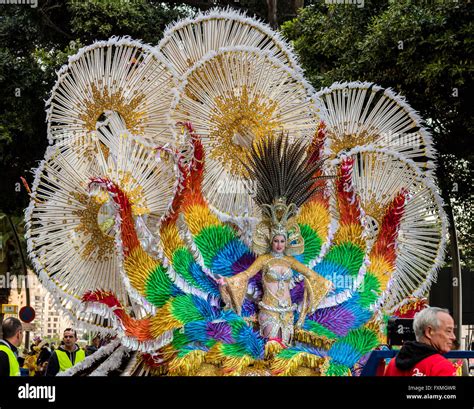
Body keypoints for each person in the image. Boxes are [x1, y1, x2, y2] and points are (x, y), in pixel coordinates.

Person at [217, 137, 333, 345]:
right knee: (270, 351)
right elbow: (245, 275)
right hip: (268, 311)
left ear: (286, 241)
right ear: (270, 240)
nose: (279, 244)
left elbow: (311, 275)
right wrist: (227, 282)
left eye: (282, 241)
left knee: (285, 353)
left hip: (288, 313)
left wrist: (325, 283)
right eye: (276, 240)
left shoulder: (290, 262)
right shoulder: (264, 259)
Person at [384, 307, 457, 376]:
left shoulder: (393, 364)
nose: (453, 337)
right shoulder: (441, 367)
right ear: (429, 332)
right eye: (448, 331)